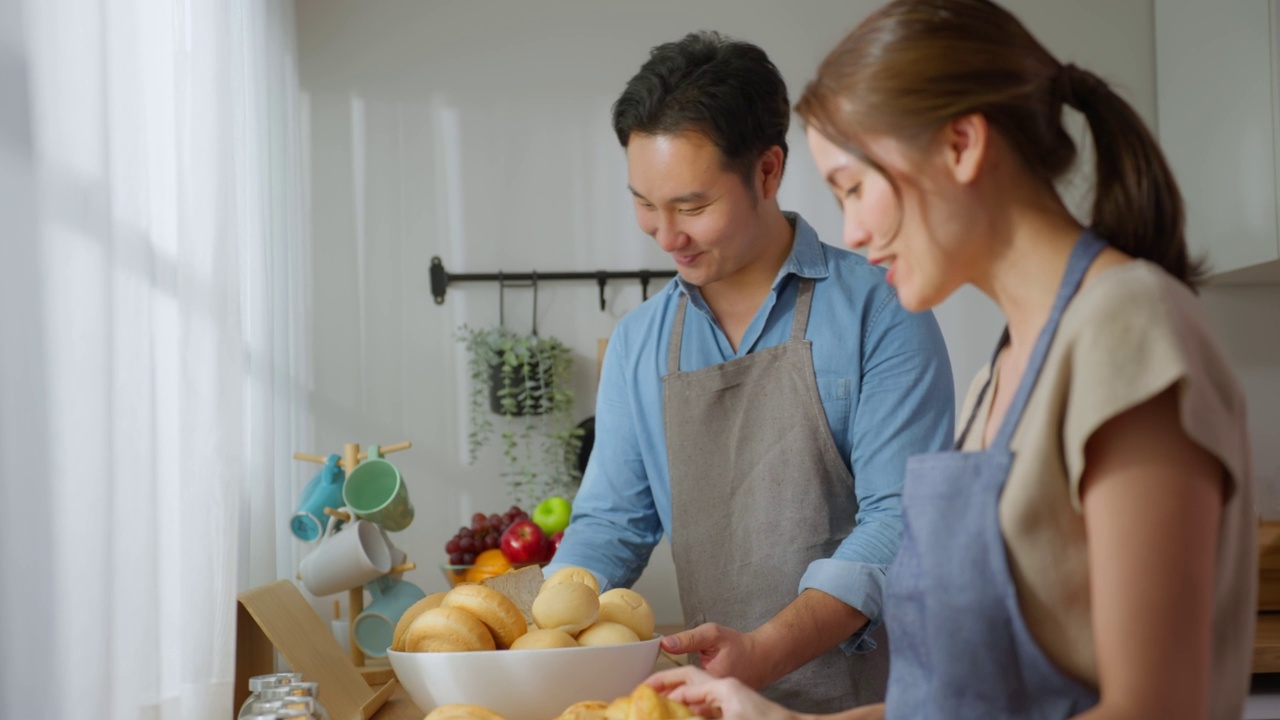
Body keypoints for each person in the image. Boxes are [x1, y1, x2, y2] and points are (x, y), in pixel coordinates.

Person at [646, 1, 1257, 719]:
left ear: (962, 144)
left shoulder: (1127, 329)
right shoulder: (997, 378)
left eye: (854, 186)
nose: (853, 230)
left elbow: (1155, 710)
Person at [544, 31, 955, 712]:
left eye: (692, 206)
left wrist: (763, 651)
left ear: (767, 171)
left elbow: (899, 521)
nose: (664, 234)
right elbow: (611, 525)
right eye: (645, 202)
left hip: (874, 705)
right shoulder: (640, 342)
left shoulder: (883, 310)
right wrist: (539, 627)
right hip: (718, 703)